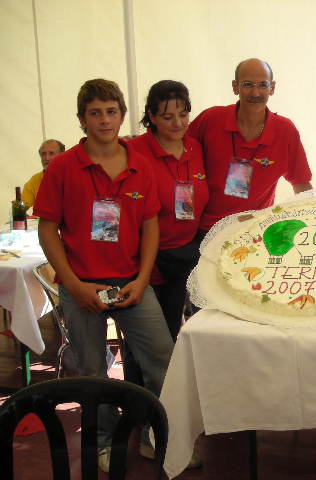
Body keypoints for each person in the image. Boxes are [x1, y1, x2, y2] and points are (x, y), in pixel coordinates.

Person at [34, 79, 174, 473]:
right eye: (94, 113)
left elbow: (150, 224)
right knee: (93, 372)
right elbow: (48, 228)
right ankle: (103, 441)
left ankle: (155, 432)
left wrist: (144, 278)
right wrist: (74, 286)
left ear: (123, 115)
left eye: (111, 111)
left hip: (131, 282)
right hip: (81, 287)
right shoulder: (62, 168)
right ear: (81, 120)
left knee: (162, 360)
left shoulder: (140, 165)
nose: (104, 120)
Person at [187, 58, 312, 234]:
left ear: (272, 88)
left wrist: (311, 224)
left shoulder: (285, 130)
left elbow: (302, 185)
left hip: (256, 233)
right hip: (208, 231)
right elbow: (177, 153)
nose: (255, 93)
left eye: (262, 85)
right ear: (235, 87)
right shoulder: (211, 119)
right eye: (247, 84)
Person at [128, 80, 208, 341]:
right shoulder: (134, 151)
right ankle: (137, 384)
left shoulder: (196, 147)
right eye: (167, 117)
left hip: (184, 256)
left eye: (183, 115)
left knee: (172, 332)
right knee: (146, 341)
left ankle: (167, 384)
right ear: (151, 117)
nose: (178, 123)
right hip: (145, 261)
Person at [23, 139, 65, 209]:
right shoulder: (35, 180)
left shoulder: (72, 175)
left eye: (51, 153)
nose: (47, 158)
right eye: (43, 154)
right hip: (43, 219)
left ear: (62, 155)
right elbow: (22, 207)